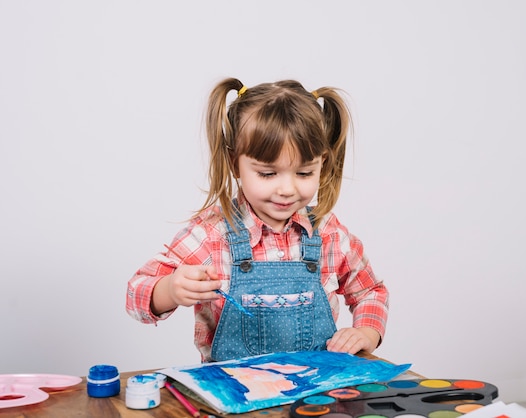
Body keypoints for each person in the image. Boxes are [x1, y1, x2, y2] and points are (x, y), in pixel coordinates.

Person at [126, 78, 389, 362]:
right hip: (234, 397)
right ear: (233, 162)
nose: (287, 189)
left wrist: (366, 332)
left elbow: (371, 292)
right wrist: (170, 289)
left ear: (322, 163)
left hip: (315, 398)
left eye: (304, 173)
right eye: (267, 173)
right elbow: (135, 296)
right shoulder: (211, 235)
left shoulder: (328, 233)